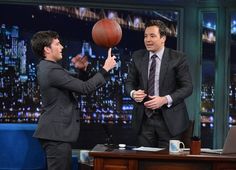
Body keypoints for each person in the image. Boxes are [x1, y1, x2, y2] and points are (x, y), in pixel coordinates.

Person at [30, 30, 116, 170]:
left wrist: (82, 71)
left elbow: (75, 83)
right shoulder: (52, 70)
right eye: (57, 44)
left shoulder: (49, 68)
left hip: (56, 134)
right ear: (47, 49)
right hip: (56, 135)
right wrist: (105, 69)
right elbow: (85, 88)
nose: (62, 47)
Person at [125, 20, 193, 148]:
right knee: (144, 163)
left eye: (152, 36)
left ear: (163, 38)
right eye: (145, 36)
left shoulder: (177, 58)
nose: (147, 40)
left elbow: (188, 87)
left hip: (170, 122)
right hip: (144, 121)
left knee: (167, 165)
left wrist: (164, 100)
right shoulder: (138, 57)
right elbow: (129, 83)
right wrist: (133, 93)